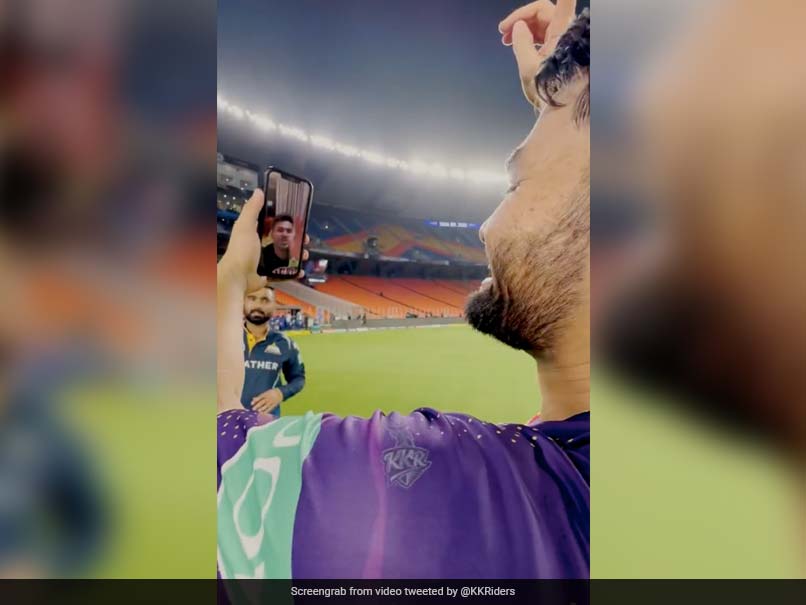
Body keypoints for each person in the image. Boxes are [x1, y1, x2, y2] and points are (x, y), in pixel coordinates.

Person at [217, 0, 589, 579]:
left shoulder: (457, 494)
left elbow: (220, 462)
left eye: (515, 185)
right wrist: (567, 98)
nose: (486, 228)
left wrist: (226, 286)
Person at [241, 286, 306, 417]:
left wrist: (280, 393)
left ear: (274, 306)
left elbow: (298, 378)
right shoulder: (223, 339)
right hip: (226, 421)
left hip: (267, 422)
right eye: (252, 299)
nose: (258, 305)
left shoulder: (286, 344)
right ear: (243, 302)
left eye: (265, 300)